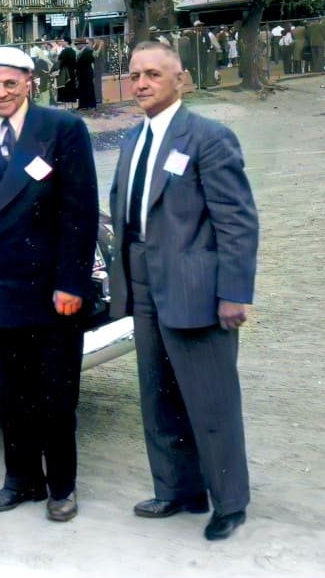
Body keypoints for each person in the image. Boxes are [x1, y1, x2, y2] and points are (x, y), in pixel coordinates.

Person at [108, 41, 258, 542]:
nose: (142, 84)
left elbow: (237, 221)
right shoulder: (132, 139)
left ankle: (228, 502)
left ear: (181, 80)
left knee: (210, 401)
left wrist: (234, 293)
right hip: (145, 285)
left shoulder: (209, 138)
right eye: (135, 76)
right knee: (158, 395)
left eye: (153, 74)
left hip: (196, 287)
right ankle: (178, 490)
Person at [0, 45, 99, 523]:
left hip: (53, 292)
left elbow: (79, 215)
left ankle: (62, 487)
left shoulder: (62, 130)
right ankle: (20, 481)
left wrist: (72, 282)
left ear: (30, 81)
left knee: (57, 395)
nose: (1, 93)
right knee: (12, 395)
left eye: (10, 83)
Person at [75, 41, 97, 109]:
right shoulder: (81, 52)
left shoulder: (87, 51)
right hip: (82, 74)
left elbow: (88, 61)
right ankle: (83, 105)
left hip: (86, 74)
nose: (76, 46)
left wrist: (77, 61)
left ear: (82, 44)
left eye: (77, 45)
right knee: (83, 90)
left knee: (88, 90)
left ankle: (90, 105)